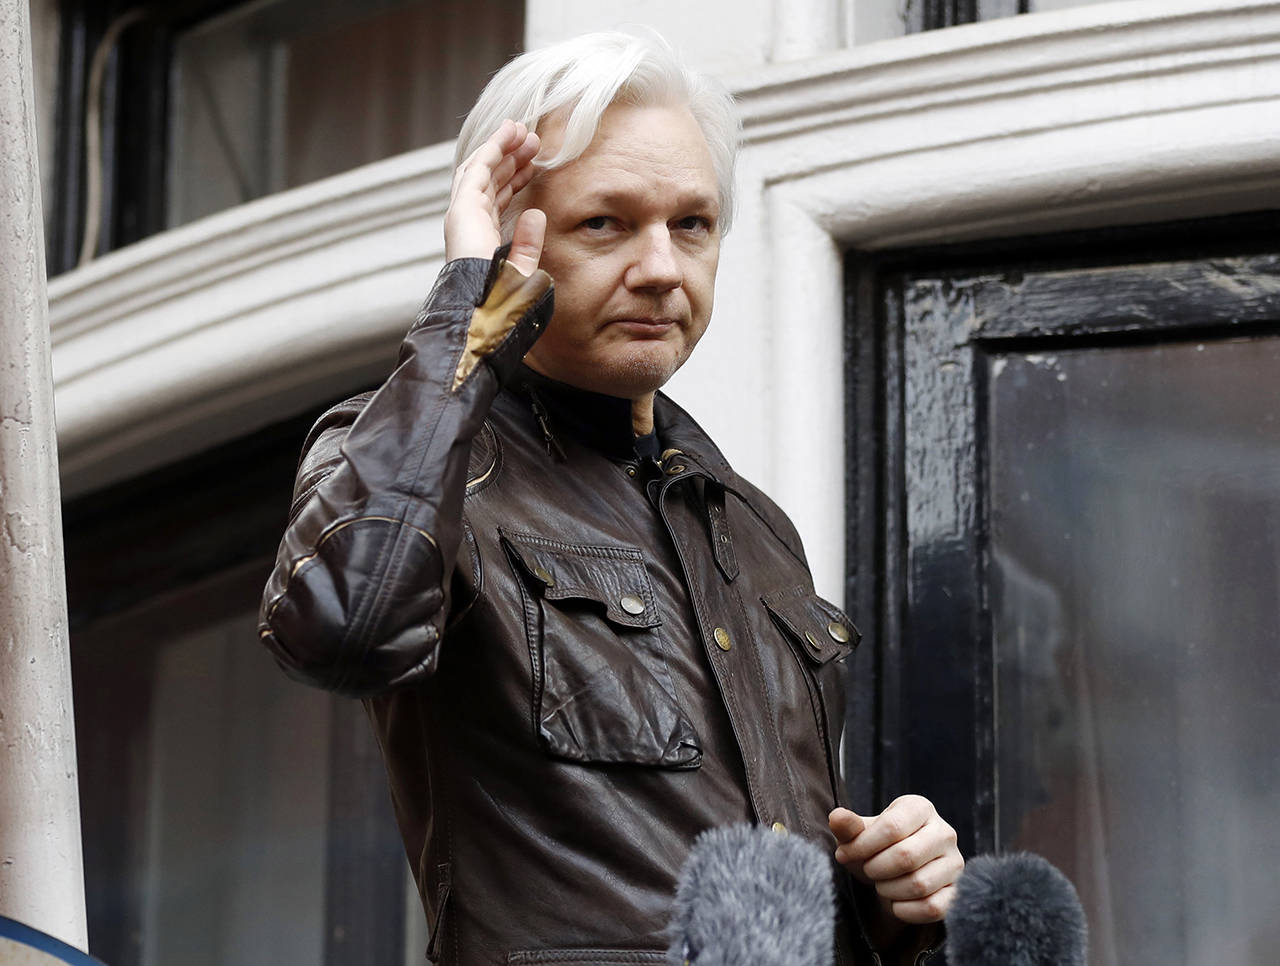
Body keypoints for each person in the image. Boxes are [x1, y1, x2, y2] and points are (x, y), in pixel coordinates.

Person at [259, 31, 963, 966]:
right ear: (516, 236)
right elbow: (343, 625)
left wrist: (886, 897)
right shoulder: (410, 450)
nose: (663, 267)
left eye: (692, 225)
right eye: (607, 224)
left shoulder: (749, 525)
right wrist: (470, 312)